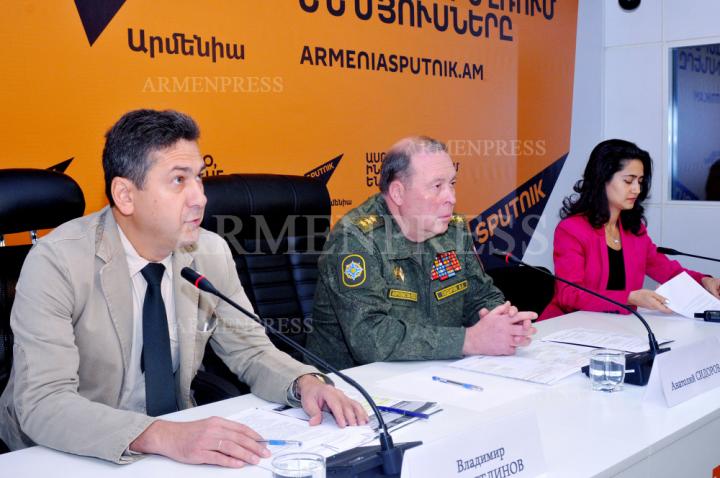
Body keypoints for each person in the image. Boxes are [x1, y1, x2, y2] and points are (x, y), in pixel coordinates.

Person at [0, 109, 367, 466]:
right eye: (178, 180)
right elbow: (43, 402)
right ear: (125, 195)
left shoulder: (209, 250)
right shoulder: (57, 261)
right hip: (65, 452)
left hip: (171, 448)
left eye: (199, 178)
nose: (200, 198)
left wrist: (305, 383)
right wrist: (162, 435)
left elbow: (250, 350)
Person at [306, 136, 537, 370]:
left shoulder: (453, 229)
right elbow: (371, 338)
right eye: (437, 186)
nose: (451, 198)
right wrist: (468, 341)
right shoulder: (355, 239)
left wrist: (501, 321)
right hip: (353, 381)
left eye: (452, 183)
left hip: (436, 370)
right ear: (398, 193)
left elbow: (479, 296)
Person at [540, 139, 720, 321]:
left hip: (615, 325)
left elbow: (668, 271)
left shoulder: (633, 229)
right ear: (602, 179)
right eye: (628, 181)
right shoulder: (572, 230)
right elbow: (569, 295)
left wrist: (705, 281)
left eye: (640, 181)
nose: (637, 189)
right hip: (567, 324)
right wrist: (629, 298)